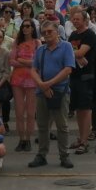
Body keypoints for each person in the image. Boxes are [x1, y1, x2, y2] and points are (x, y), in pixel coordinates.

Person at [28, 20, 75, 169]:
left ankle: (64, 155)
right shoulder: (40, 50)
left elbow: (68, 69)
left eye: (50, 31)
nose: (47, 34)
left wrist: (48, 84)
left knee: (62, 126)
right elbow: (33, 70)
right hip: (42, 93)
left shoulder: (66, 47)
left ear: (57, 32)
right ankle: (41, 155)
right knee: (42, 126)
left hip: (60, 92)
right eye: (44, 32)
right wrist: (42, 86)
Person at [68, 7, 96, 152]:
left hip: (86, 76)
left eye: (78, 19)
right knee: (78, 110)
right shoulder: (73, 34)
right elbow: (72, 53)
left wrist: (71, 51)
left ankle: (85, 141)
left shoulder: (90, 35)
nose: (75, 21)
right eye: (73, 19)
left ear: (85, 20)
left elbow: (80, 52)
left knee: (86, 109)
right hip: (74, 75)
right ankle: (81, 138)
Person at [9, 20, 39, 152]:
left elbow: (37, 62)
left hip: (32, 79)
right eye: (24, 26)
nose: (25, 28)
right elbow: (11, 61)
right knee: (19, 112)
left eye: (28, 26)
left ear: (33, 28)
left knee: (31, 112)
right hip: (18, 79)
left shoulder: (37, 43)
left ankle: (28, 139)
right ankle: (21, 139)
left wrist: (22, 60)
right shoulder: (17, 42)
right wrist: (26, 63)